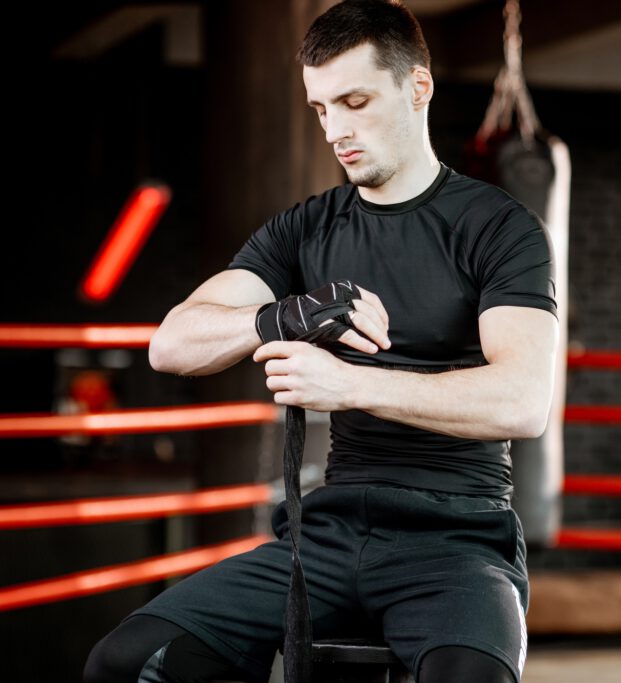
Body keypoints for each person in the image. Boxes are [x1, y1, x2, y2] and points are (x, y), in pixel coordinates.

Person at [82, 0, 558, 681]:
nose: (336, 128)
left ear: (416, 88)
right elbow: (171, 344)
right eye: (321, 108)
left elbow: (522, 400)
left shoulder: (498, 227)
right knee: (128, 662)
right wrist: (282, 315)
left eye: (356, 101)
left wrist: (350, 384)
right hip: (328, 536)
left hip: (458, 543)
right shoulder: (305, 230)